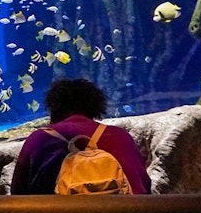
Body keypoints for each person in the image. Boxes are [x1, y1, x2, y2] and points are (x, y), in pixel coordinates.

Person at [10, 78, 151, 195]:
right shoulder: (119, 136)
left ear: (54, 108)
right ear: (96, 107)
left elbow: (18, 191)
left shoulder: (39, 139)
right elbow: (142, 186)